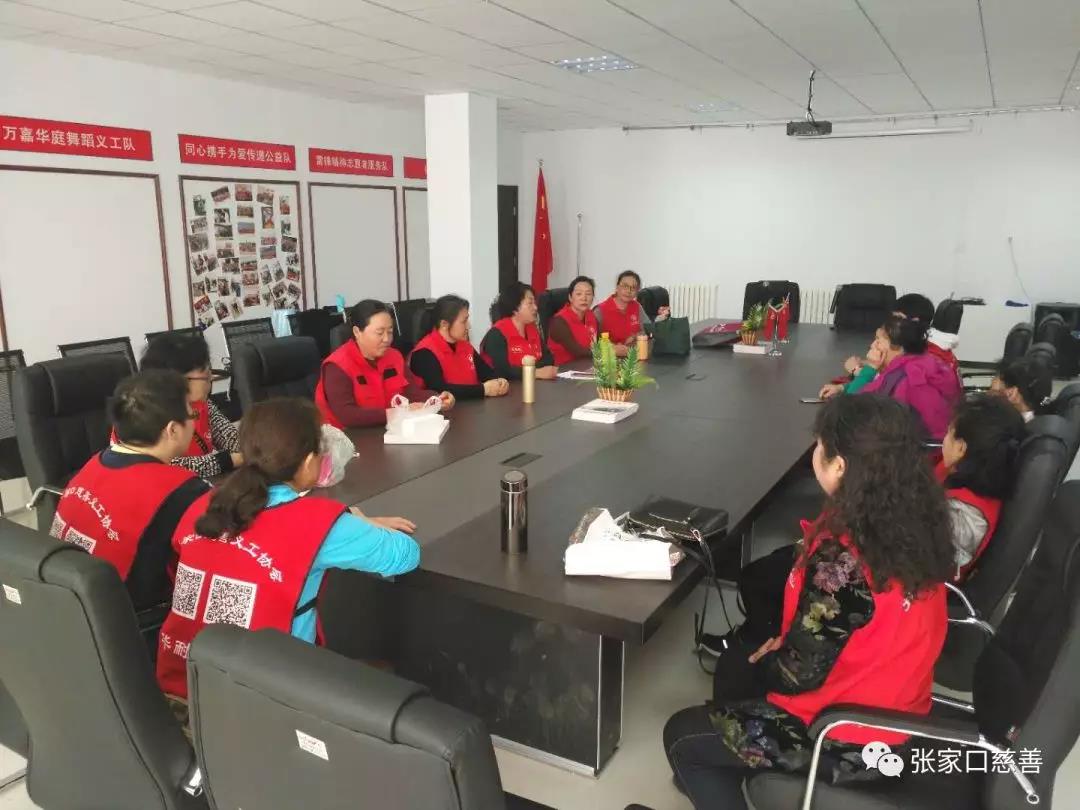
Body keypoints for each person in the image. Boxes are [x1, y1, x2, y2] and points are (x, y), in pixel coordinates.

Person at [664, 395, 954, 809]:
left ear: (840, 466)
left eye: (820, 445)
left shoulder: (842, 562)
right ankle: (732, 770)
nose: (815, 452)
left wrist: (773, 658)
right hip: (899, 708)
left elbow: (795, 676)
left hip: (850, 739)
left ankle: (715, 770)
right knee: (734, 665)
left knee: (682, 736)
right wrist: (779, 651)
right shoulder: (915, 523)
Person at [156, 398, 421, 716]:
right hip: (265, 705)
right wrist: (356, 522)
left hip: (180, 689)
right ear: (309, 462)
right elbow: (405, 555)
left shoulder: (201, 506)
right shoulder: (316, 522)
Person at [50, 370, 211, 611]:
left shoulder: (95, 463)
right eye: (192, 414)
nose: (194, 421)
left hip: (70, 607)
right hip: (133, 618)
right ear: (173, 430)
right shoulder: (183, 491)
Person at [315, 299, 454, 429]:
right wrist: (396, 413)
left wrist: (438, 399)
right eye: (380, 333)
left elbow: (411, 393)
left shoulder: (394, 356)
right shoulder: (337, 366)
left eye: (390, 332)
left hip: (388, 432)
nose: (387, 339)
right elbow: (347, 415)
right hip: (348, 438)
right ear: (357, 332)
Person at [939, 394, 1024, 580]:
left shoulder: (965, 516)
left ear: (961, 448)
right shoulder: (986, 481)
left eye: (948, 433)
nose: (943, 440)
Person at [139, 332, 242, 477]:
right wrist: (230, 460)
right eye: (206, 376)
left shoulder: (201, 404)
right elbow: (168, 467)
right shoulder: (144, 415)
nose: (210, 380)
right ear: (180, 381)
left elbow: (230, 438)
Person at [854, 314, 961, 439]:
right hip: (932, 442)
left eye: (878, 341)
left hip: (915, 447)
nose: (872, 346)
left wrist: (871, 367)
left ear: (899, 348)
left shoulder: (906, 378)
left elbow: (855, 407)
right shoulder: (923, 363)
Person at [409, 294, 509, 400]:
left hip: (475, 407)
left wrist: (500, 381)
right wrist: (483, 390)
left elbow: (487, 373)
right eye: (464, 321)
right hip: (447, 410)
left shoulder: (465, 346)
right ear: (444, 324)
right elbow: (440, 390)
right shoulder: (424, 352)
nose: (468, 326)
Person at [480, 282, 558, 380]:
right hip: (507, 388)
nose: (535, 307)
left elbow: (548, 359)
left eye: (535, 303)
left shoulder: (532, 329)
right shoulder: (497, 334)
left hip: (533, 385)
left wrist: (524, 370)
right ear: (515, 307)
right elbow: (502, 371)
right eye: (530, 303)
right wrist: (535, 372)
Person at [594, 270, 670, 356]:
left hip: (633, 355)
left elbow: (647, 329)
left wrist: (635, 336)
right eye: (625, 286)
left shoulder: (636, 306)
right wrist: (611, 348)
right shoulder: (600, 311)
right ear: (617, 287)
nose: (629, 291)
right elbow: (592, 344)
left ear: (637, 292)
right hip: (610, 358)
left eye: (633, 288)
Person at [546, 275, 600, 364]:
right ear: (570, 298)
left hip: (587, 366)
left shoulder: (591, 316)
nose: (584, 298)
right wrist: (607, 351)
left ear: (593, 298)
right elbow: (578, 351)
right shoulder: (559, 322)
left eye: (588, 294)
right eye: (579, 294)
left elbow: (600, 342)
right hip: (564, 369)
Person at [991, 357, 1052, 423]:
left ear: (1012, 393)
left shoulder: (1005, 424)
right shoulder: (1042, 407)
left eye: (997, 376)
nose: (993, 380)